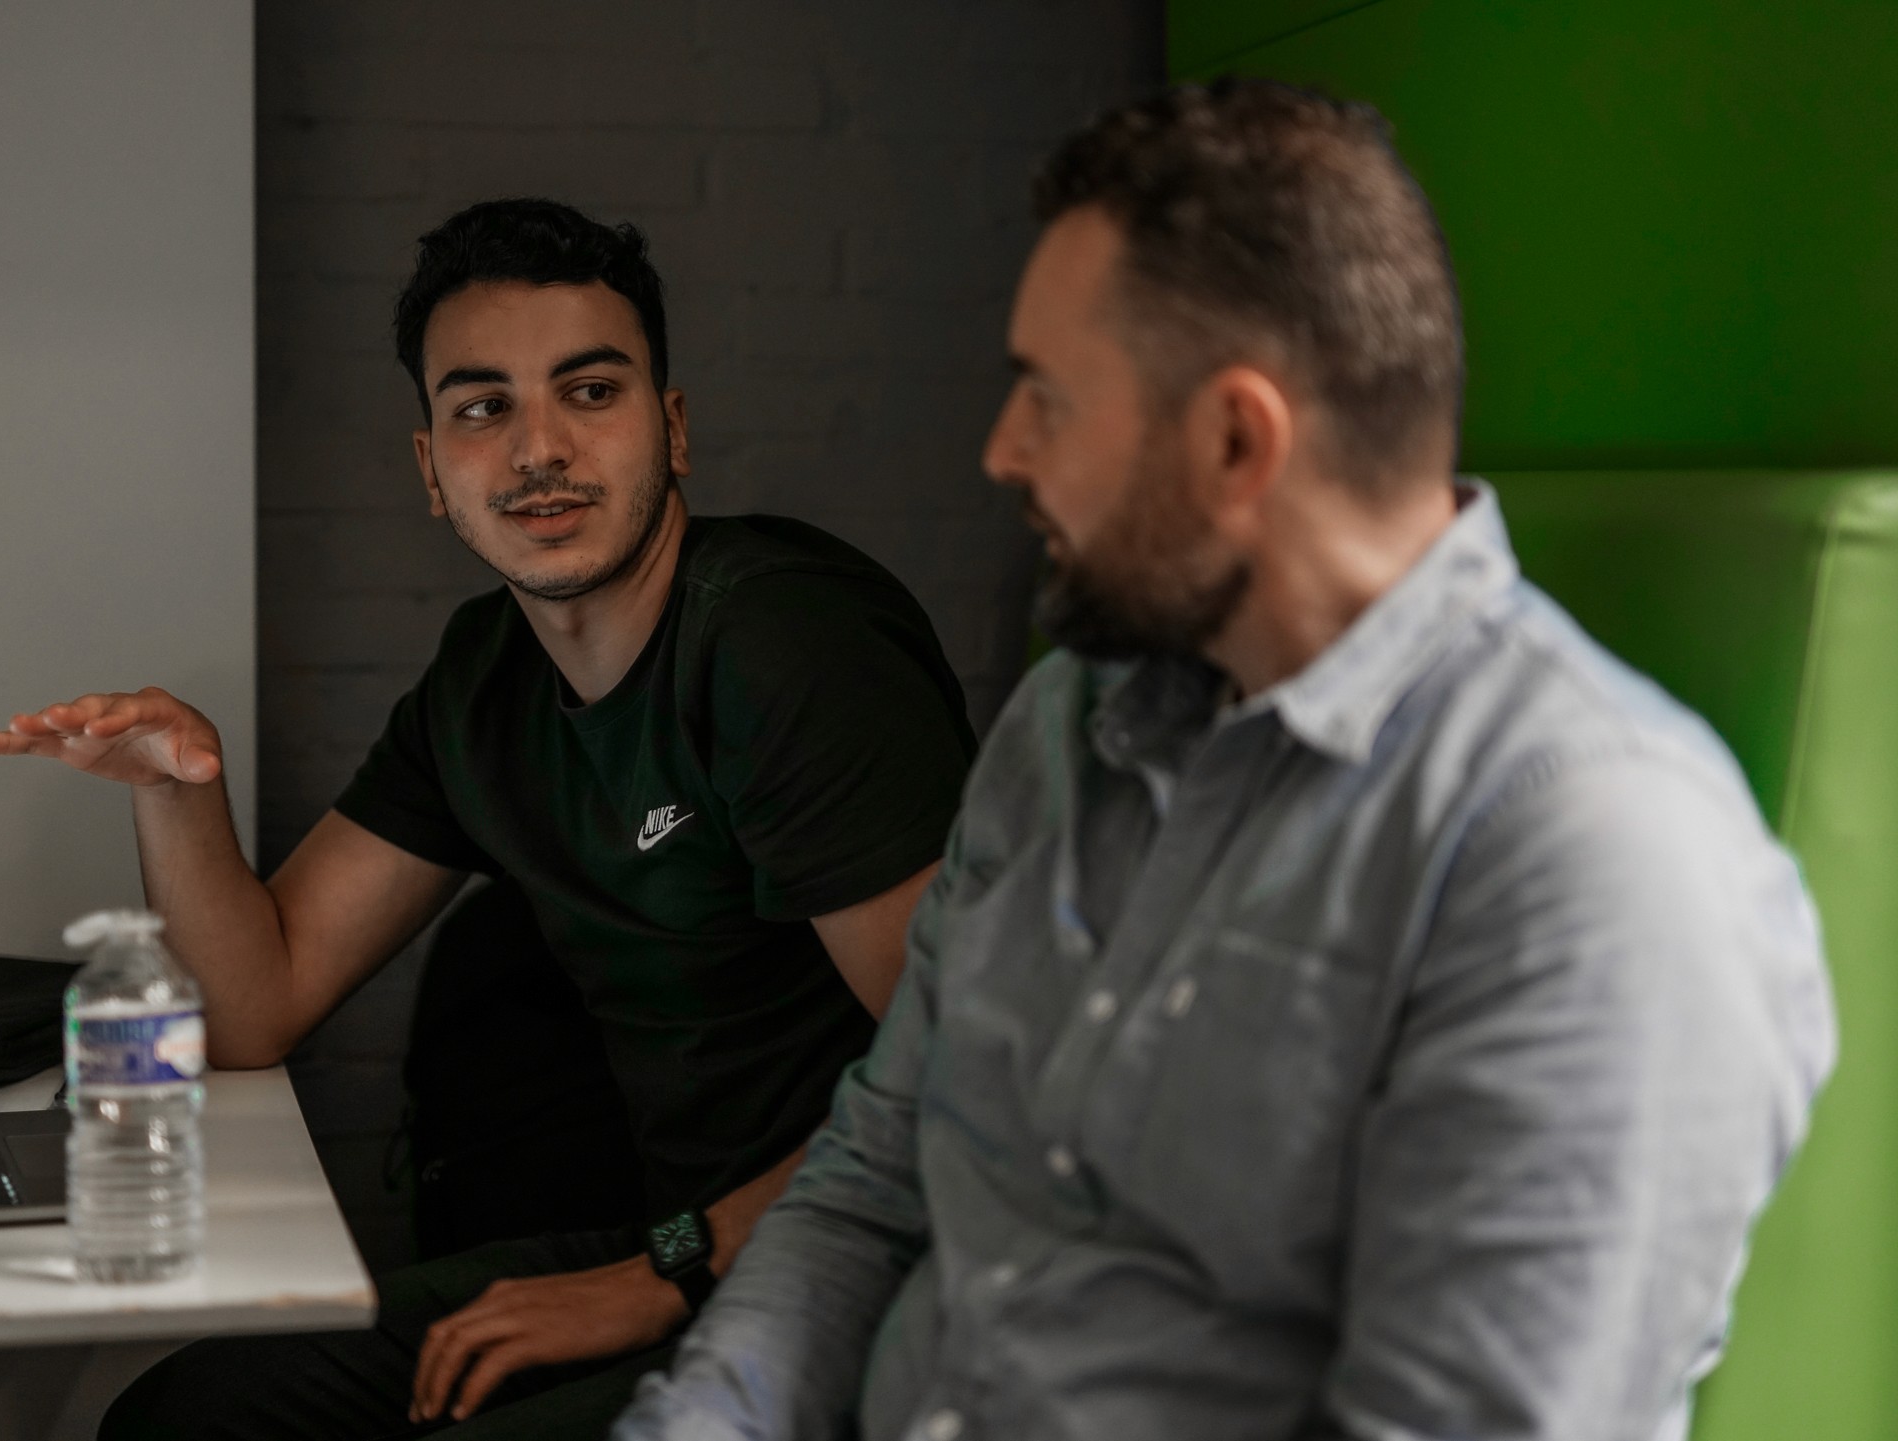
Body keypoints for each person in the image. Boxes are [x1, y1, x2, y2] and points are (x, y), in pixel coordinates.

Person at [612, 79, 1836, 1441]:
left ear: (1238, 439)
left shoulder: (1592, 858)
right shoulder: (1065, 720)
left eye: (1048, 400)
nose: (1002, 452)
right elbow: (870, 1184)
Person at [0, 197, 977, 1439]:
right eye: (484, 406)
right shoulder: (484, 678)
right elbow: (253, 1007)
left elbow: (978, 1083)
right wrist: (182, 792)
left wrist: (661, 1270)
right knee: (194, 1414)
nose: (538, 447)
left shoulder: (783, 645)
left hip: (881, 1274)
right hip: (686, 1240)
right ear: (432, 470)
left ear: (672, 428)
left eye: (591, 392)